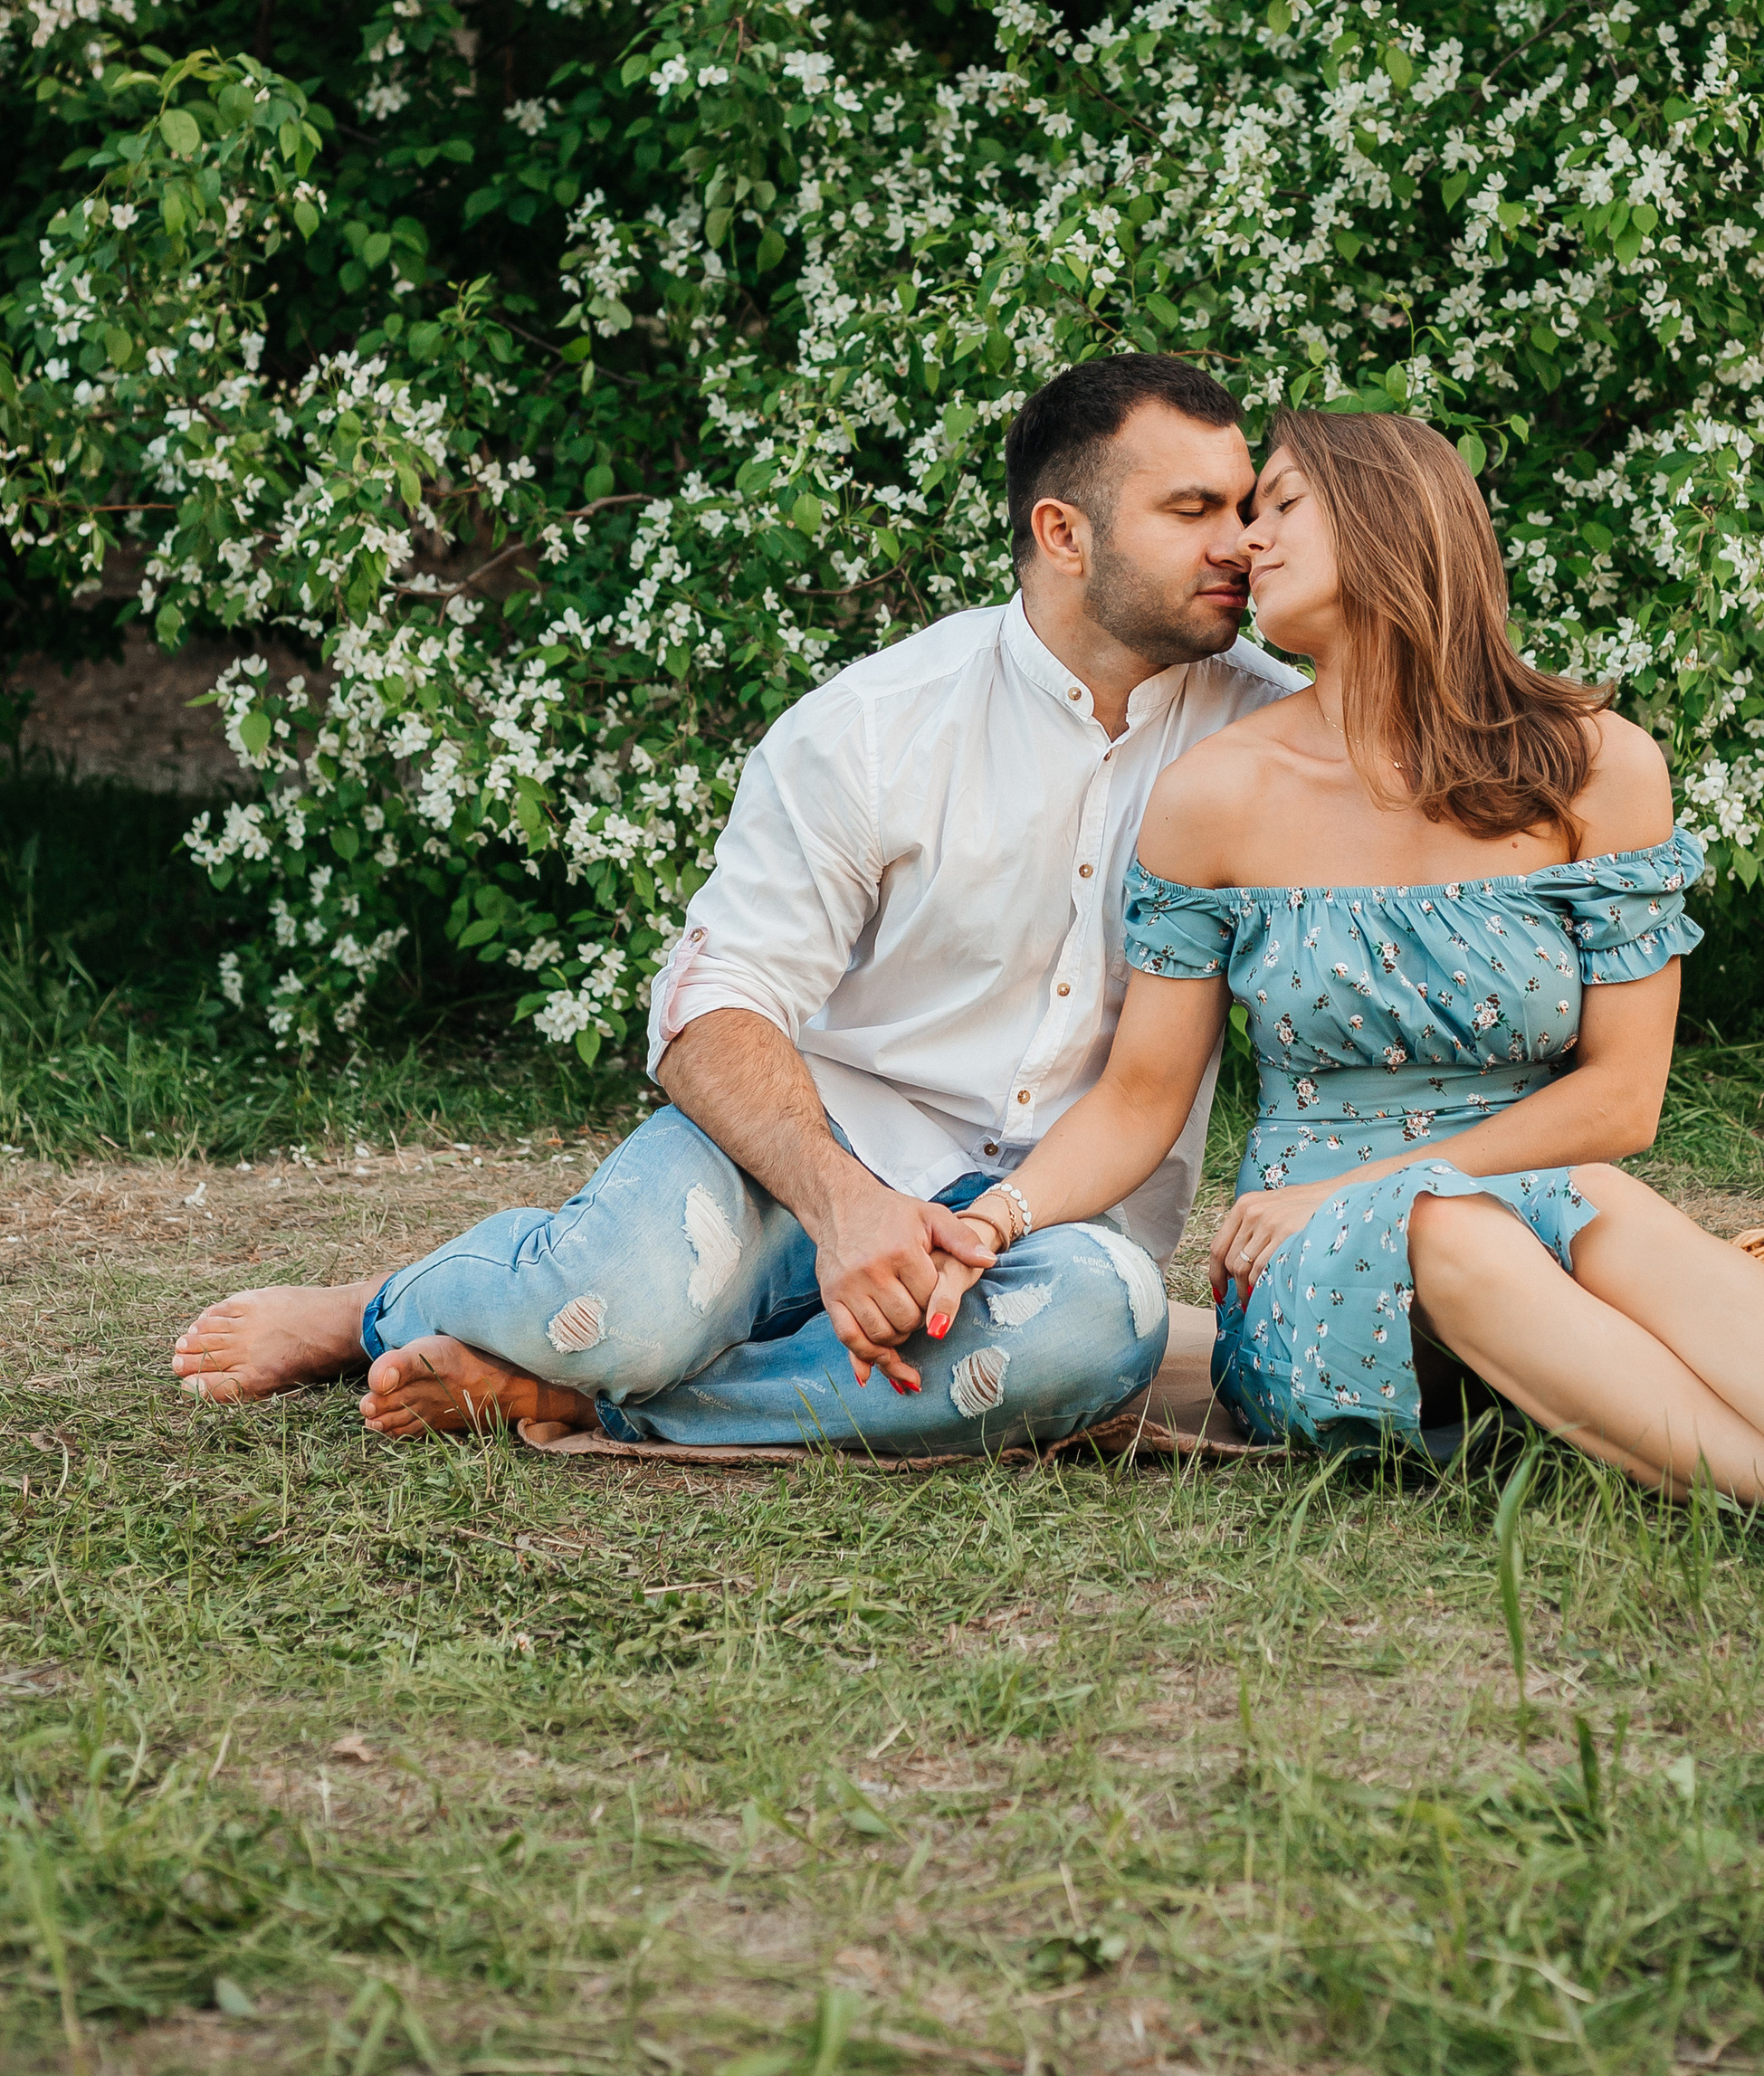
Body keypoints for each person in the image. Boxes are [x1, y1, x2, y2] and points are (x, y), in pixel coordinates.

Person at [922, 408, 1764, 1624]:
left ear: (1389, 519)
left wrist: (1403, 1179)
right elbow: (1141, 1097)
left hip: (1549, 1207)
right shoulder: (1215, 794)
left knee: (1585, 1198)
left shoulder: (1598, 766)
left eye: (1279, 503)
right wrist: (998, 1216)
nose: (1246, 540)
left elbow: (1622, 1099)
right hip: (1313, 1268)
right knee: (1451, 1222)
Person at [169, 354, 1303, 1450]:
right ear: (1063, 533)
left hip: (1051, 1225)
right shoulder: (874, 726)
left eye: (1245, 505)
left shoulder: (1281, 739)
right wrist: (846, 1207)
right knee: (617, 1306)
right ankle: (378, 1307)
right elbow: (711, 1007)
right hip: (810, 1158)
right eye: (1193, 507)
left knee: (1099, 1332)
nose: (1241, 543)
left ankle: (600, 1403)